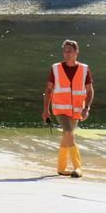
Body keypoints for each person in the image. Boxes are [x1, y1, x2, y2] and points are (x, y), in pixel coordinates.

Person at [42, 40, 94, 178]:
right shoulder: (55, 68)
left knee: (67, 136)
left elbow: (89, 91)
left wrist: (87, 108)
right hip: (60, 109)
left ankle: (61, 168)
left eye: (70, 51)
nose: (67, 54)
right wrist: (46, 110)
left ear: (77, 52)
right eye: (65, 51)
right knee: (69, 132)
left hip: (77, 110)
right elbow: (48, 90)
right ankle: (78, 167)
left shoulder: (84, 69)